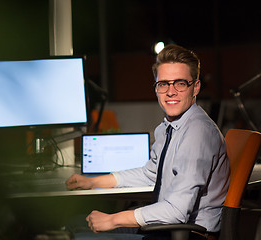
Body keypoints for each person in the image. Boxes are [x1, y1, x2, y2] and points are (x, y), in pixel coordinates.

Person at [65, 44, 230, 238]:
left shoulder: (197, 133)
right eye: (164, 84)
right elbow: (150, 174)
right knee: (75, 223)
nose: (170, 92)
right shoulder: (168, 128)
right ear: (156, 88)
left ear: (195, 87)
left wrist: (113, 219)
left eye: (180, 83)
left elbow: (176, 212)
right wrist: (93, 182)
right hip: (168, 227)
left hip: (187, 234)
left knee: (81, 236)